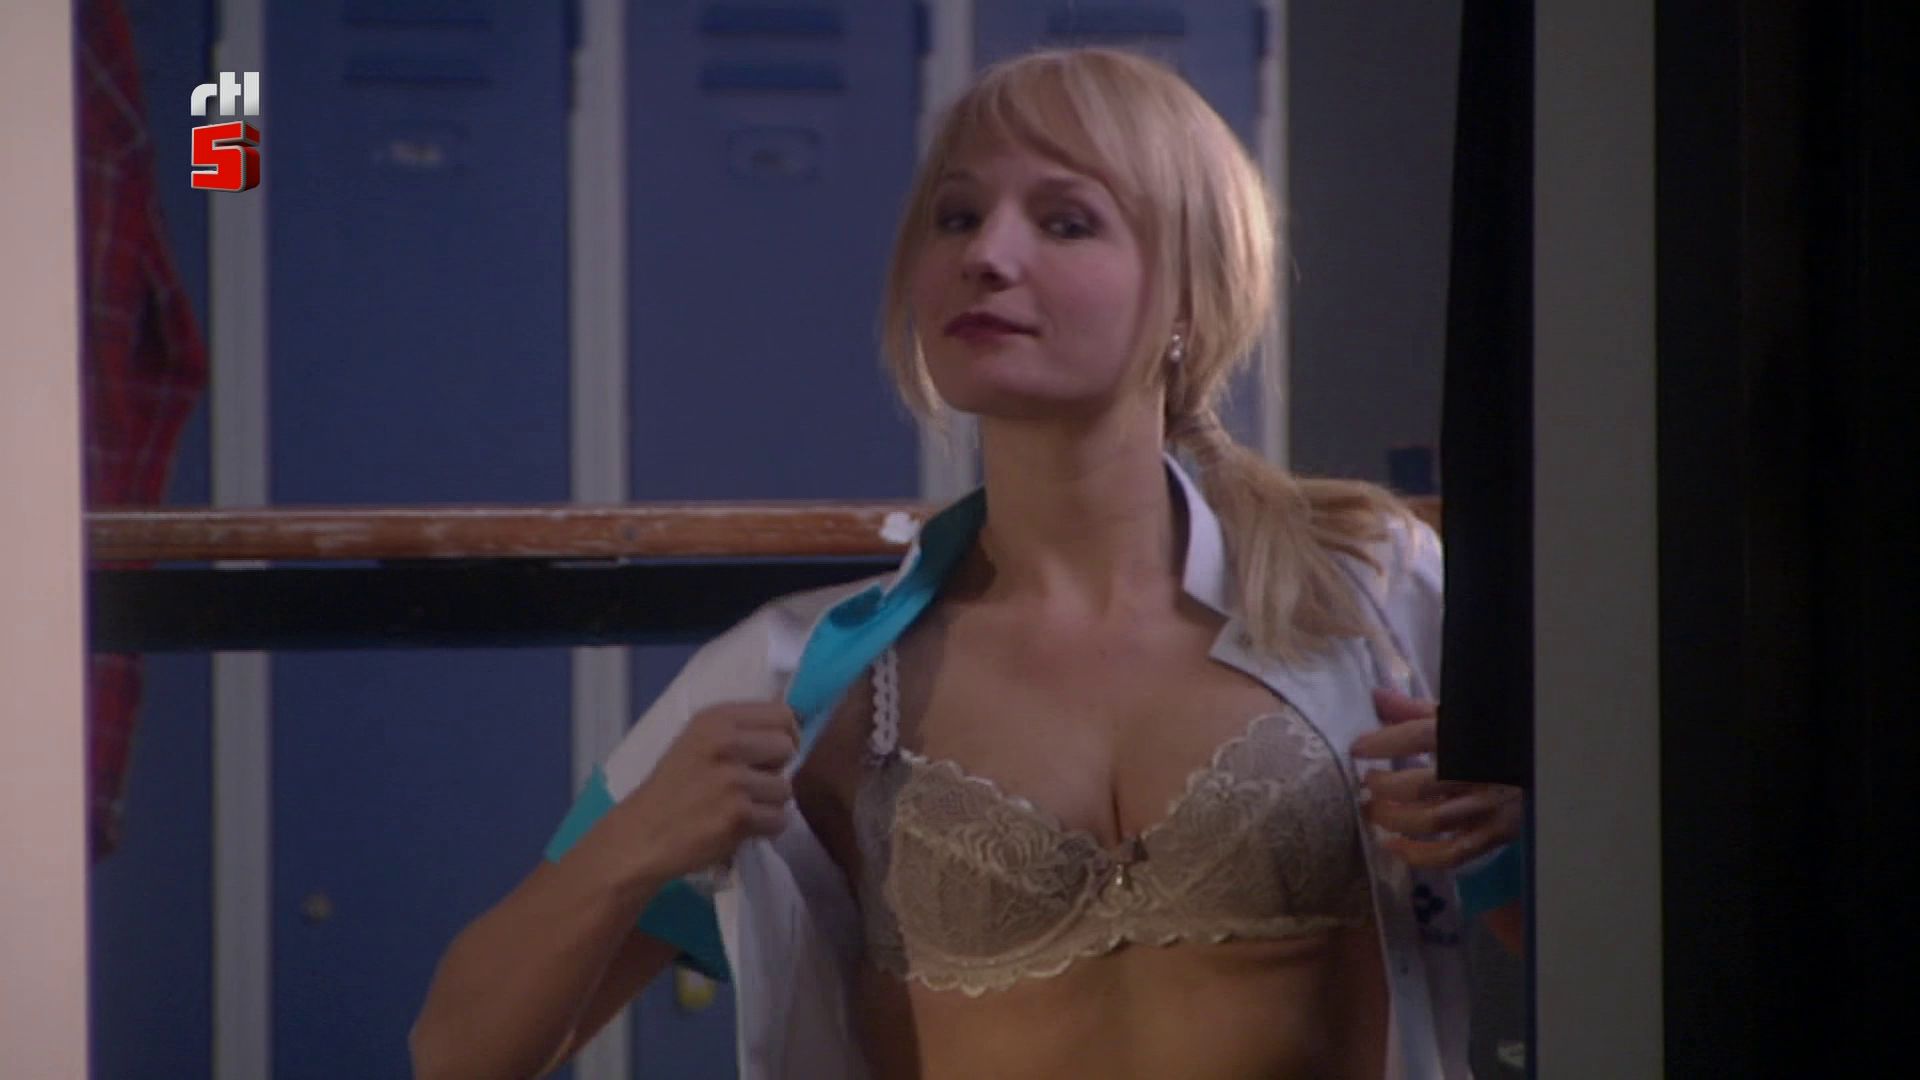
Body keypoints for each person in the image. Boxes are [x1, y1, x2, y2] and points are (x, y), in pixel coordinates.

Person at [411, 47, 1523, 1080]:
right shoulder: (804, 677)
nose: (986, 256)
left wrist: (1513, 830)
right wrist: (627, 849)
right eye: (957, 216)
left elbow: (1592, 938)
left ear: (1191, 292)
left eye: (1066, 222)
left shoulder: (1369, 589)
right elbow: (457, 1054)